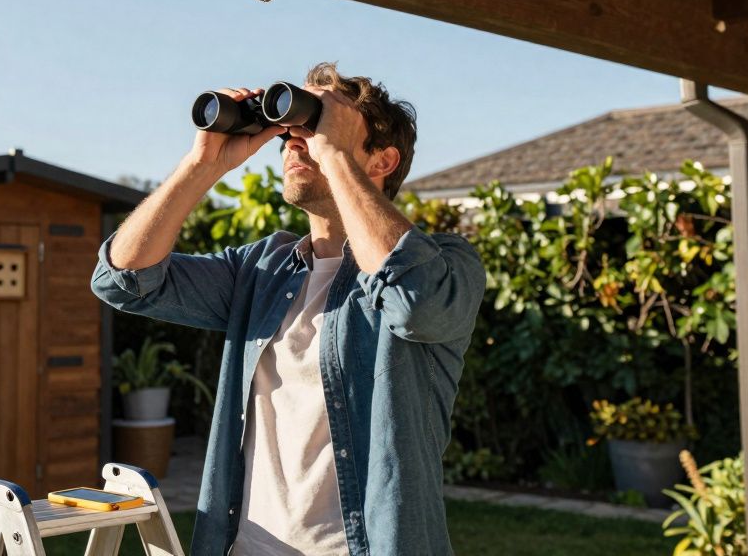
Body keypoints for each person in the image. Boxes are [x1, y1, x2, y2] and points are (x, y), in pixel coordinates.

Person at [91, 63, 486, 556]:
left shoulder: (447, 265)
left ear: (382, 161)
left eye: (319, 127)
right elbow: (124, 280)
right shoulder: (260, 270)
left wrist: (335, 152)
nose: (297, 143)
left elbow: (414, 305)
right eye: (294, 133)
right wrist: (204, 165)